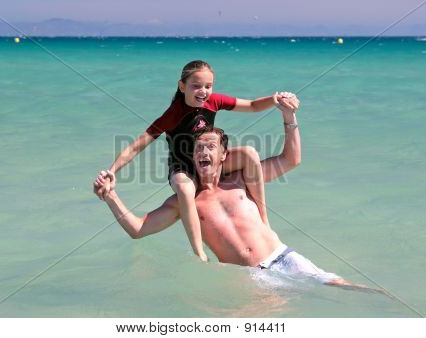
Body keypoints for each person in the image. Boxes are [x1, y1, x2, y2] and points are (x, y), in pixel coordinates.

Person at [95, 95, 381, 292]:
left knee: (342, 288)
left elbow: (290, 159)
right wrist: (111, 196)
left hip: (284, 257)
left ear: (223, 155)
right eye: (198, 148)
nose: (204, 152)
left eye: (210, 147)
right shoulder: (186, 204)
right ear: (191, 157)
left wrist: (289, 117)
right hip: (251, 277)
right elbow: (138, 229)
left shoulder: (242, 180)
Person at [95, 59, 294, 262]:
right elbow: (136, 146)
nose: (203, 91)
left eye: (208, 86)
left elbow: (252, 106)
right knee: (185, 189)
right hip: (184, 169)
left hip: (209, 161)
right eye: (196, 86)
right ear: (182, 86)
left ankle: (264, 220)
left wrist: (275, 99)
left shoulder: (214, 101)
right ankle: (198, 250)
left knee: (249, 153)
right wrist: (113, 170)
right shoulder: (173, 114)